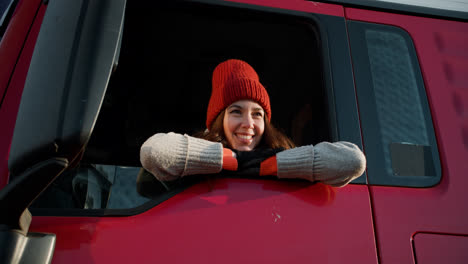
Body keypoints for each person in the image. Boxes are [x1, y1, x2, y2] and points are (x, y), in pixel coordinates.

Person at [140, 59, 366, 187]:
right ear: (219, 120)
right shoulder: (188, 163)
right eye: (236, 112)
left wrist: (270, 164)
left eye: (258, 114)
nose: (248, 123)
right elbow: (152, 152)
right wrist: (230, 160)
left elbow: (353, 160)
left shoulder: (281, 158)